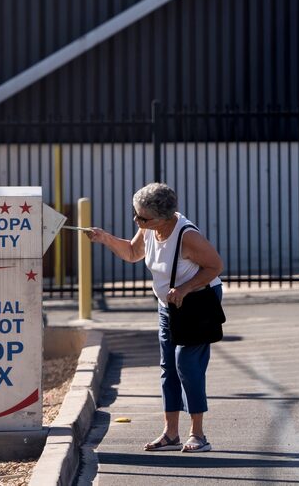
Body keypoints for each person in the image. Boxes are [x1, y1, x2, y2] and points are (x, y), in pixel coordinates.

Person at [87, 182, 224, 452]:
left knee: (187, 363)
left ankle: (198, 434)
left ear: (164, 217)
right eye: (135, 214)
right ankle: (170, 434)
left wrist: (184, 288)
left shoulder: (187, 236)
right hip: (168, 305)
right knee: (168, 368)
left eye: (143, 217)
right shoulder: (149, 228)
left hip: (196, 303)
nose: (137, 220)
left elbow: (215, 266)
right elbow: (132, 252)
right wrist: (105, 238)